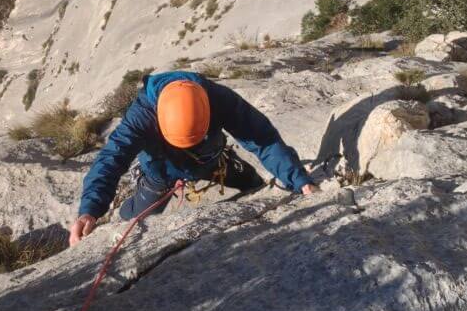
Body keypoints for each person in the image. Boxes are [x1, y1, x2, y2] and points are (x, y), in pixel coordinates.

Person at [69, 70, 316, 247]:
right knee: (134, 223)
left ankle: (247, 178)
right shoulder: (141, 116)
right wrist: (89, 210)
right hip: (162, 173)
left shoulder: (219, 99)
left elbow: (262, 138)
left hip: (212, 161)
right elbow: (111, 159)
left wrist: (299, 179)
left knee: (255, 185)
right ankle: (122, 216)